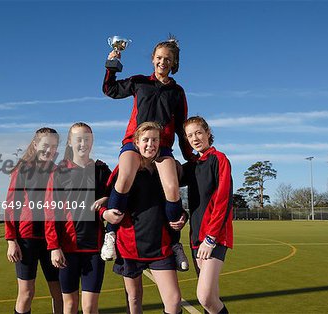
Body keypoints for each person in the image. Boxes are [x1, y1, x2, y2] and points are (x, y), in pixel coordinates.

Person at [102, 36, 193, 271]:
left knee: (172, 188)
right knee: (125, 176)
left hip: (162, 147)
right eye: (159, 58)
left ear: (174, 64)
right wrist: (112, 64)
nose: (163, 62)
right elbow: (110, 90)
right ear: (153, 59)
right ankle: (110, 233)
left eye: (168, 59)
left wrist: (190, 156)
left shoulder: (177, 92)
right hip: (134, 142)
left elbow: (182, 128)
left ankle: (174, 243)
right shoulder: (140, 82)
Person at [103, 122, 186, 314]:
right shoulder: (126, 170)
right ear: (137, 143)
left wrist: (183, 217)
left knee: (173, 301)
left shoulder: (166, 170)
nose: (151, 144)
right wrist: (105, 213)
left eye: (155, 140)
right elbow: (109, 202)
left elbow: (175, 204)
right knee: (134, 299)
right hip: (130, 245)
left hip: (160, 245)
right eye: (146, 140)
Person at [44, 122, 111, 314]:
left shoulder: (101, 170)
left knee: (90, 307)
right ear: (70, 142)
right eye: (78, 139)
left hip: (94, 249)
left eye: (86, 139)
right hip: (67, 249)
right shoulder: (59, 172)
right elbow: (50, 212)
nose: (83, 143)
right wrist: (54, 247)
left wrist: (106, 198)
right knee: (70, 305)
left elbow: (118, 195)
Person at [5, 127, 63, 314]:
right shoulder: (23, 169)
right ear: (36, 145)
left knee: (59, 293)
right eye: (45, 145)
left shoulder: (59, 172)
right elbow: (11, 205)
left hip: (52, 241)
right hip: (26, 240)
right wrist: (11, 240)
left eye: (53, 146)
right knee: (26, 293)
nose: (49, 150)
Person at [182, 116, 233, 314]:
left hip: (214, 237)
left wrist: (210, 238)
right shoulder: (193, 165)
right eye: (189, 135)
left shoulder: (219, 159)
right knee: (211, 297)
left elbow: (223, 200)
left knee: (204, 297)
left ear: (207, 133)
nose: (195, 138)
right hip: (196, 238)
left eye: (198, 133)